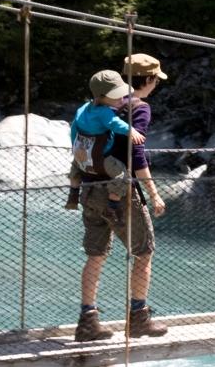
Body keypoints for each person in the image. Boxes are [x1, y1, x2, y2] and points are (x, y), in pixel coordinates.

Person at [74, 53, 170, 342]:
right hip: (120, 191)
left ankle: (87, 321)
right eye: (156, 80)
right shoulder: (139, 108)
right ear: (150, 80)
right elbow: (136, 154)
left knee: (96, 255)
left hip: (89, 188)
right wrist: (154, 194)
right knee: (143, 252)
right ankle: (138, 318)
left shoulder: (98, 105)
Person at [67, 69, 147, 226]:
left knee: (75, 169)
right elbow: (115, 124)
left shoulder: (82, 109)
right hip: (102, 158)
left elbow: (73, 130)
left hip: (82, 155)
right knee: (123, 177)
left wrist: (76, 150)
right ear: (102, 96)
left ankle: (73, 195)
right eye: (116, 95)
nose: (121, 98)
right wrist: (131, 130)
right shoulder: (104, 113)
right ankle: (113, 206)